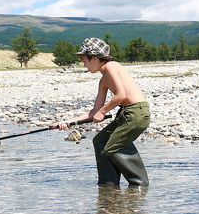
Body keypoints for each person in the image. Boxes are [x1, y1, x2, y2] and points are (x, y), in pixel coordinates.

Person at [58, 37, 150, 186]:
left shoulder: (111, 66)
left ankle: (139, 184)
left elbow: (121, 95)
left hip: (137, 113)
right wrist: (68, 122)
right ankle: (108, 185)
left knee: (112, 147)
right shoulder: (103, 81)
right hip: (126, 114)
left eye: (84, 60)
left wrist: (103, 111)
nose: (84, 64)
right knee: (99, 141)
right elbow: (94, 112)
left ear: (94, 58)